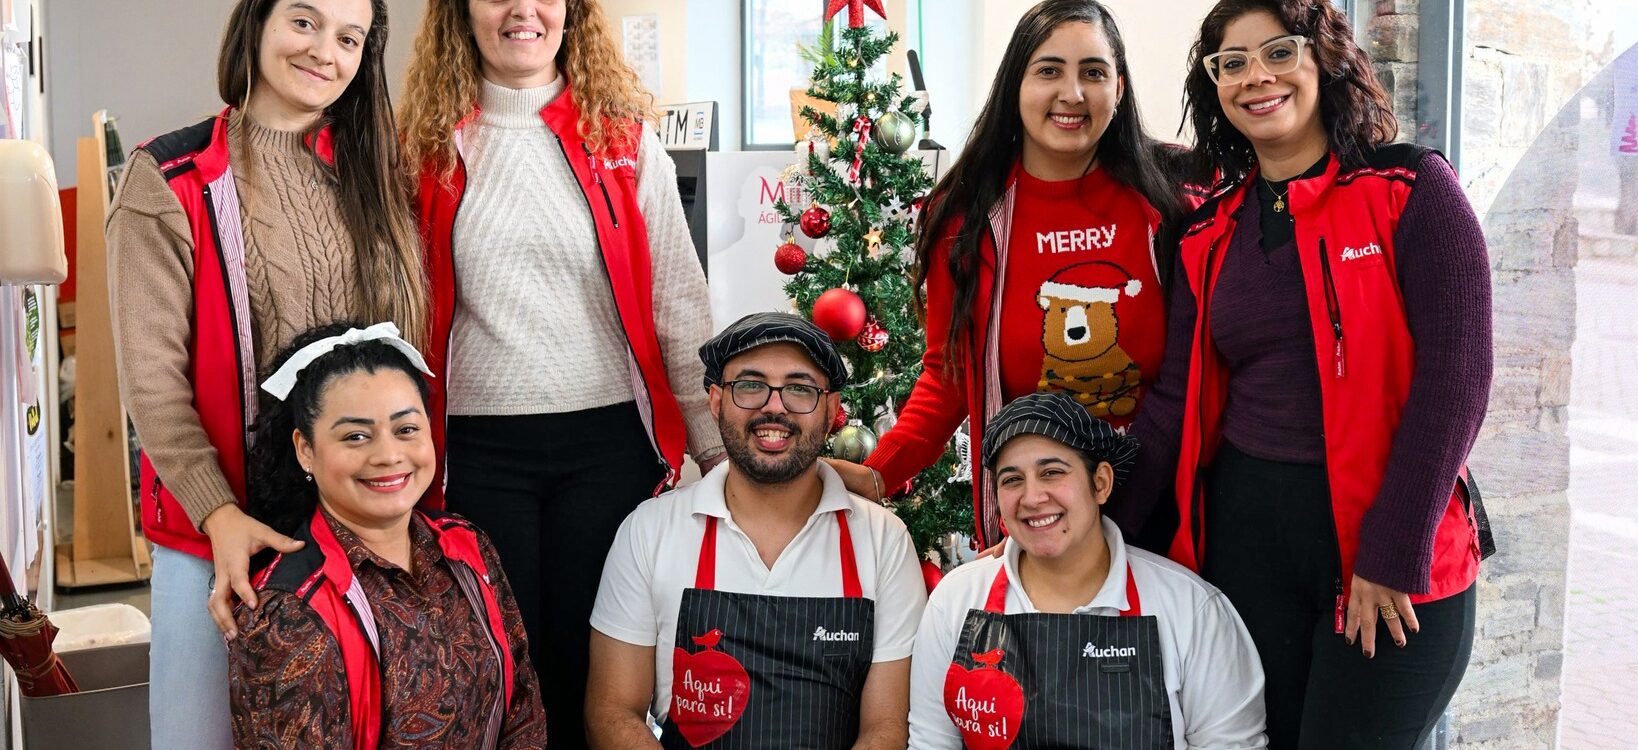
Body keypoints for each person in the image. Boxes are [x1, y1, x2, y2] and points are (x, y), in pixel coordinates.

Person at [1117, 1, 1494, 747]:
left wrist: (1390, 552)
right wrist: (1101, 530)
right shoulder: (1205, 233)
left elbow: (1458, 380)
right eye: (1232, 63)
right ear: (1215, 86)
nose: (1256, 76)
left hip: (1391, 559)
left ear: (1322, 58)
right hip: (1248, 558)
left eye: (1278, 52)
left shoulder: (1412, 190)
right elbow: (1172, 406)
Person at [106, 0, 427, 745]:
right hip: (224, 534)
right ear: (255, 23)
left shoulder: (375, 175)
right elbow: (153, 385)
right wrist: (218, 514)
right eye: (305, 22)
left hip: (359, 527)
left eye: (350, 38)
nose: (325, 52)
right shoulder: (172, 178)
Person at [399, 3, 719, 741]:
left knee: (593, 680)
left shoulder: (627, 144)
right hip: (476, 456)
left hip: (608, 451)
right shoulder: (421, 148)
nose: (522, 9)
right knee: (501, 673)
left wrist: (718, 456)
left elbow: (679, 309)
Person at [822, 0, 1187, 549]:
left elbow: (1198, 370)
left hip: (1162, 507)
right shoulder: (967, 213)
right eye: (1049, 71)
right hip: (1036, 520)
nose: (1073, 94)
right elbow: (948, 375)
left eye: (1094, 72)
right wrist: (880, 472)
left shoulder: (1172, 196)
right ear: (1015, 82)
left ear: (1120, 85)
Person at [586, 313, 928, 749]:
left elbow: (886, 728)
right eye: (750, 385)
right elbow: (612, 711)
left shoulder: (884, 541)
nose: (774, 405)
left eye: (800, 388)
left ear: (831, 410)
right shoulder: (649, 531)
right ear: (715, 400)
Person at [227, 322, 546, 747]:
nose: (389, 455)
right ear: (305, 448)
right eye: (356, 436)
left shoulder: (467, 545)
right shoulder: (288, 612)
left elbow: (523, 710)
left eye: (406, 429)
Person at [909, 391, 1267, 748]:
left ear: (1101, 483)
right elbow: (932, 741)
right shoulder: (955, 602)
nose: (1032, 498)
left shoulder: (1192, 609)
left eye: (1052, 472)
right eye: (1012, 480)